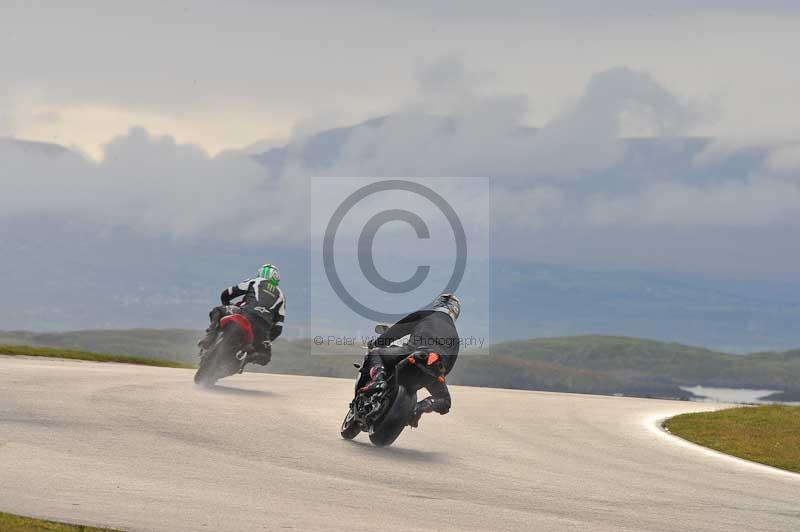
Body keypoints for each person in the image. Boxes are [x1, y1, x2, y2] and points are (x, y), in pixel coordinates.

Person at [356, 293, 461, 427]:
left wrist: (378, 343)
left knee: (376, 353)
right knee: (445, 401)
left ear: (438, 304)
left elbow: (396, 331)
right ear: (455, 312)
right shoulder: (455, 336)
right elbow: (448, 366)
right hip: (435, 367)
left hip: (412, 353)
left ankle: (378, 381)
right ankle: (421, 407)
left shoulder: (425, 315)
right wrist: (437, 375)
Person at [198, 263, 286, 366]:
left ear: (260, 273)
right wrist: (266, 341)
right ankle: (247, 358)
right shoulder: (281, 296)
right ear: (276, 278)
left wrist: (227, 306)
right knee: (265, 357)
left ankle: (210, 338)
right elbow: (278, 328)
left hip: (245, 314)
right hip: (263, 329)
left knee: (217, 311)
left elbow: (227, 293)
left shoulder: (256, 281)